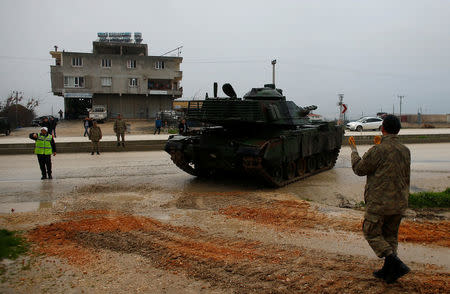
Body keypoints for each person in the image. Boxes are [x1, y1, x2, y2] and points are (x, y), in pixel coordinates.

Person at [349, 115, 411, 284]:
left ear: (382, 129)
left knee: (371, 232)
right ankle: (389, 271)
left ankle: (394, 262)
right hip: (399, 201)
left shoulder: (378, 150)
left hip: (379, 202)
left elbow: (360, 169)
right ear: (398, 130)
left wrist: (354, 151)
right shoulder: (405, 150)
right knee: (390, 236)